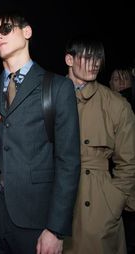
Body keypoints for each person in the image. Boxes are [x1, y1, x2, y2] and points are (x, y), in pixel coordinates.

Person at [0, 11, 81, 254]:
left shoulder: (58, 87)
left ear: (27, 32)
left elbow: (68, 162)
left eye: (6, 29)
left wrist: (55, 229)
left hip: (35, 215)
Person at [62, 35, 135, 254]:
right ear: (69, 60)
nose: (95, 63)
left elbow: (129, 162)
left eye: (98, 58)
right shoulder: (49, 96)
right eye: (88, 57)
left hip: (98, 206)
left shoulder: (116, 105)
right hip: (55, 202)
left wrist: (113, 203)